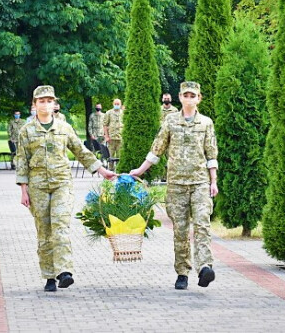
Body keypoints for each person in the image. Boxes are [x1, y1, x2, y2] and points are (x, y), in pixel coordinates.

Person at [16, 85, 116, 292]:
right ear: (34, 105)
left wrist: (101, 170)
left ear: (55, 104)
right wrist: (23, 190)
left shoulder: (64, 127)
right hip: (38, 187)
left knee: (60, 227)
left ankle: (64, 272)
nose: (45, 105)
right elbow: (22, 161)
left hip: (62, 183)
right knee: (44, 232)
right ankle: (49, 276)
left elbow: (80, 150)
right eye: (41, 101)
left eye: (49, 101)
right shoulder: (26, 131)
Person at [130, 81, 218, 291]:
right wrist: (139, 171)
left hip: (199, 182)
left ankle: (205, 266)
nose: (189, 99)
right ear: (180, 98)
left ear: (199, 98)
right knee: (180, 230)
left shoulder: (206, 123)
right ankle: (182, 272)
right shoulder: (170, 121)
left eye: (193, 96)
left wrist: (213, 181)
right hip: (176, 185)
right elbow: (157, 150)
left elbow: (211, 154)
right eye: (185, 95)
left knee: (202, 225)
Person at [102, 98, 124, 170]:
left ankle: (118, 171)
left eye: (118, 104)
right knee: (111, 157)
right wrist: (106, 136)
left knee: (120, 157)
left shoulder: (123, 113)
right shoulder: (109, 113)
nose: (116, 105)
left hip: (120, 138)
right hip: (111, 138)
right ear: (113, 104)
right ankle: (110, 171)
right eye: (115, 104)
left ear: (120, 105)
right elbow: (105, 125)